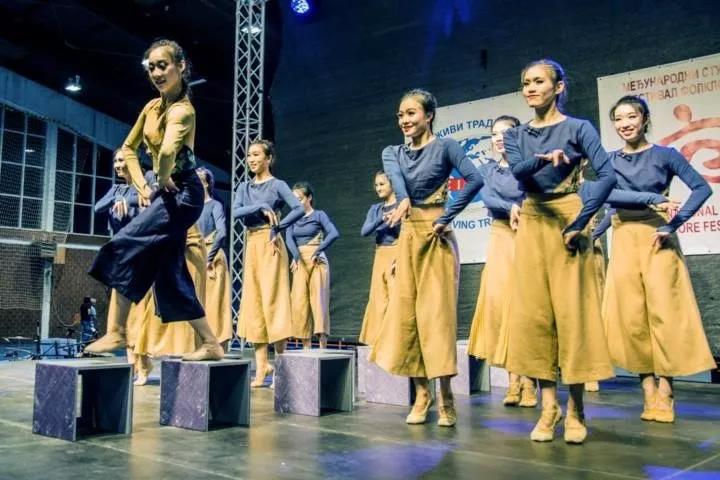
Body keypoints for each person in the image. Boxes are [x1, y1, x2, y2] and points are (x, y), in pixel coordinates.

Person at [493, 59, 616, 444]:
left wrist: (582, 222)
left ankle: (576, 407)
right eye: (525, 83)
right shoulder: (517, 134)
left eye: (538, 81)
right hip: (533, 216)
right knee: (534, 314)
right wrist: (543, 159)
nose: (530, 88)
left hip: (568, 216)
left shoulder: (579, 128)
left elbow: (608, 175)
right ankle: (549, 406)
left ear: (558, 86)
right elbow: (518, 171)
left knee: (572, 313)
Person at [86, 39, 223, 361]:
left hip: (183, 193)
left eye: (163, 65)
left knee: (123, 244)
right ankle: (210, 343)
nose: (157, 73)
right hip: (166, 190)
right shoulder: (151, 107)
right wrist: (142, 187)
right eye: (151, 68)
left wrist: (160, 179)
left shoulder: (183, 110)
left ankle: (117, 330)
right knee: (169, 272)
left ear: (181, 67)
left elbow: (167, 152)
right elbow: (128, 149)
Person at [369, 88, 483, 427]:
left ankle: (445, 393)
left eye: (411, 113)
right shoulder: (392, 152)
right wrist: (404, 199)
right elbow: (397, 179)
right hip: (408, 235)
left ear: (429, 115)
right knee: (407, 317)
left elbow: (475, 179)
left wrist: (447, 217)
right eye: (401, 115)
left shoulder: (446, 147)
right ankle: (422, 394)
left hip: (436, 235)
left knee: (437, 318)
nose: (404, 120)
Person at [602, 95, 716, 422]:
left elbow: (701, 188)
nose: (625, 124)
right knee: (632, 317)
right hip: (624, 237)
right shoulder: (609, 160)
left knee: (665, 314)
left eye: (631, 116)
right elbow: (606, 194)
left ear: (644, 119)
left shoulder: (665, 154)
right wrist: (652, 197)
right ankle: (647, 389)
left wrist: (672, 225)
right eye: (618, 118)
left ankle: (665, 389)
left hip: (657, 237)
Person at [465, 115, 536, 408]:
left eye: (505, 133)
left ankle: (529, 380)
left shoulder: (528, 168)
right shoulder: (487, 170)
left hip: (528, 234)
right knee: (499, 307)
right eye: (494, 133)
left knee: (525, 308)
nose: (498, 138)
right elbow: (489, 199)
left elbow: (537, 196)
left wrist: (523, 209)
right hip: (500, 236)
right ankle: (512, 380)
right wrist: (511, 206)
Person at [232, 139, 304, 387]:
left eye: (256, 155)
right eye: (249, 155)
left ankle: (281, 367)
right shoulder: (244, 187)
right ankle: (262, 367)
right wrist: (261, 205)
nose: (251, 159)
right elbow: (236, 211)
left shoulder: (278, 185)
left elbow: (298, 208)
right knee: (254, 304)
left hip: (271, 243)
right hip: (252, 242)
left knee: (274, 301)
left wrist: (278, 227)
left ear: (268, 158)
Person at [287, 182, 340, 349]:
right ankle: (306, 347)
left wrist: (318, 250)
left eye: (300, 199)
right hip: (300, 260)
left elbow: (333, 233)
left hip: (317, 259)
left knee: (319, 301)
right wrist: (295, 256)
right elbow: (289, 238)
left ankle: (323, 345)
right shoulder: (292, 217)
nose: (296, 203)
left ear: (309, 197)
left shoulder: (319, 215)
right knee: (299, 301)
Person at [358, 172, 400, 346]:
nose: (378, 188)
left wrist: (400, 259)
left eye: (382, 184)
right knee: (378, 298)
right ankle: (377, 341)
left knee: (396, 297)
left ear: (392, 184)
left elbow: (407, 233)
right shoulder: (376, 209)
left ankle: (395, 341)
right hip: (380, 253)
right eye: (376, 185)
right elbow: (364, 231)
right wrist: (380, 219)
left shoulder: (401, 205)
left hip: (397, 253)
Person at [196, 167, 234, 350]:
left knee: (215, 303)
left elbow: (222, 233)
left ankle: (218, 346)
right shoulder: (191, 207)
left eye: (198, 179)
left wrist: (209, 258)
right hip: (195, 256)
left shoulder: (215, 205)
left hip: (212, 256)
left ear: (206, 183)